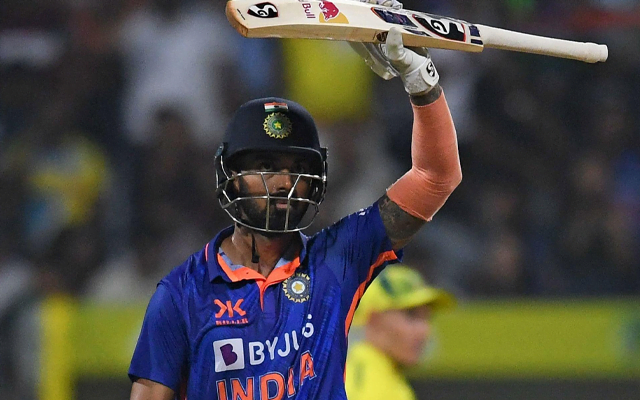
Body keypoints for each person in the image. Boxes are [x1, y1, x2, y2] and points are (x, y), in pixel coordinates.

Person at [127, 10, 462, 400]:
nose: (284, 183)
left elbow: (436, 177)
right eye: (266, 167)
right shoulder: (182, 294)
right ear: (230, 175)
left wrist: (422, 84)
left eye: (298, 169)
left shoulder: (337, 260)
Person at [345, 264, 455, 400]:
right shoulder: (371, 384)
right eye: (411, 315)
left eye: (427, 317)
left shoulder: (381, 375)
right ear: (374, 321)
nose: (425, 330)